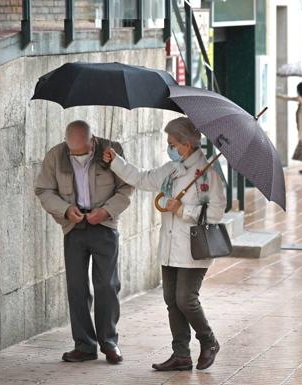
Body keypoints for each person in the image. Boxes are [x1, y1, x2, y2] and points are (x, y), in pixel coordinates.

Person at [103, 117, 226, 371]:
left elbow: (216, 213)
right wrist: (115, 160)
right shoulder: (172, 169)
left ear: (187, 144)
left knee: (186, 299)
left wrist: (183, 210)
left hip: (194, 248)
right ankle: (181, 355)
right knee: (172, 300)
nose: (169, 147)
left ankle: (209, 340)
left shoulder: (208, 173)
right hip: (169, 248)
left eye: (172, 143)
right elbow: (142, 178)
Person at [34, 120, 134, 364]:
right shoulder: (56, 155)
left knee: (107, 286)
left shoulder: (111, 150)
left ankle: (109, 342)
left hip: (104, 225)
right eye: (73, 152)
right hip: (74, 227)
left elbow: (127, 187)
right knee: (77, 287)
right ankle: (84, 345)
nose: (77, 156)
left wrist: (107, 211)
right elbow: (44, 190)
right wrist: (66, 210)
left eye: (83, 152)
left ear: (92, 141)